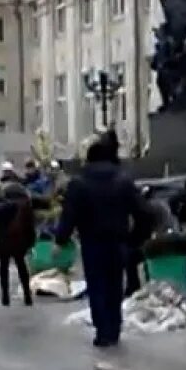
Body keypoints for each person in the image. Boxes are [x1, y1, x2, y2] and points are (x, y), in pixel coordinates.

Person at [55, 136, 143, 348]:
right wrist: (135, 238)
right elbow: (142, 212)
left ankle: (102, 330)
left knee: (97, 286)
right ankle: (114, 328)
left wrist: (60, 240)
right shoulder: (124, 181)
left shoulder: (79, 183)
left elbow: (69, 215)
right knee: (115, 285)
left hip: (92, 242)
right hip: (119, 241)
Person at [0, 178, 35, 307]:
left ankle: (5, 296)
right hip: (19, 240)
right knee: (21, 265)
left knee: (3, 267)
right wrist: (31, 241)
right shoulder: (25, 204)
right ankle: (27, 295)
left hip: (3, 241)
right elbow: (30, 225)